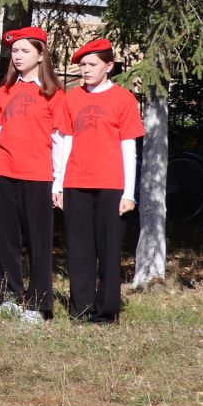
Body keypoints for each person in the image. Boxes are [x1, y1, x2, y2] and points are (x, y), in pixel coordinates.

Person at [60, 39, 143, 324]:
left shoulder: (124, 99)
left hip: (111, 184)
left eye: (92, 65)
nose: (85, 70)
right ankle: (81, 308)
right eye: (82, 65)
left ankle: (106, 312)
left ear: (108, 67)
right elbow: (63, 143)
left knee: (108, 249)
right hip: (76, 181)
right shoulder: (72, 97)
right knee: (79, 247)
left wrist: (129, 193)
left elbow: (129, 149)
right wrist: (57, 185)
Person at [0, 26, 67, 322]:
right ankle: (7, 298)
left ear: (40, 54)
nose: (18, 56)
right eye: (15, 51)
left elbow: (60, 140)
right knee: (4, 238)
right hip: (3, 173)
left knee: (38, 241)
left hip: (38, 176)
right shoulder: (5, 90)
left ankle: (38, 304)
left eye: (25, 51)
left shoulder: (54, 94)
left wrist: (58, 182)